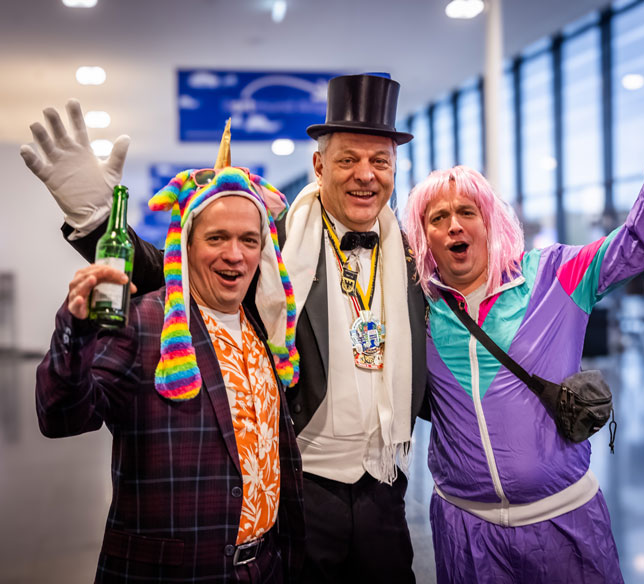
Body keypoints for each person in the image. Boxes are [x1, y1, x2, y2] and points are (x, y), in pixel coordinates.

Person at [22, 74, 428, 584]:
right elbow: (174, 270)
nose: (365, 175)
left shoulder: (416, 259)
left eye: (380, 161)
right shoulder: (271, 243)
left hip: (384, 487)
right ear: (319, 165)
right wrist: (101, 220)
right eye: (348, 159)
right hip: (307, 486)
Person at [402, 82, 644, 583]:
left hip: (564, 523)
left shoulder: (555, 275)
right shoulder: (418, 306)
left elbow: (643, 239)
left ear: (490, 223)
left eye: (467, 213)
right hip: (465, 528)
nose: (455, 226)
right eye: (439, 218)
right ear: (425, 238)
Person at [32, 127, 305, 583]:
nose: (235, 255)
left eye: (249, 240)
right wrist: (75, 333)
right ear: (186, 245)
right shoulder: (145, 323)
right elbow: (61, 416)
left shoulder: (265, 329)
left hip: (265, 569)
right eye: (217, 238)